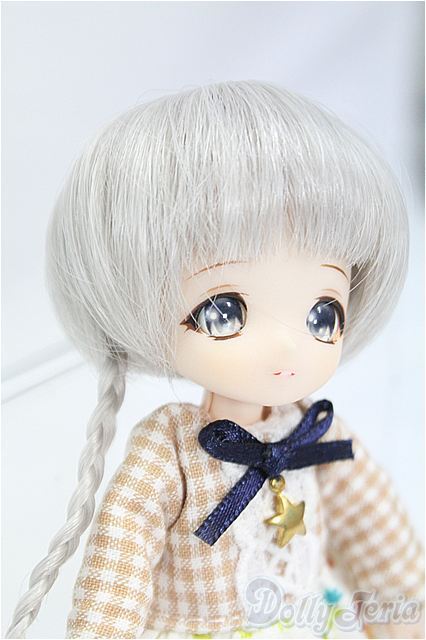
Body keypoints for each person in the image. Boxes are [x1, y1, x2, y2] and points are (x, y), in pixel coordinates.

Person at [6, 81, 424, 639]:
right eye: (224, 312)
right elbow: (118, 574)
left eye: (322, 314)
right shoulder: (171, 454)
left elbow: (378, 540)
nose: (287, 346)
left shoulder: (317, 435)